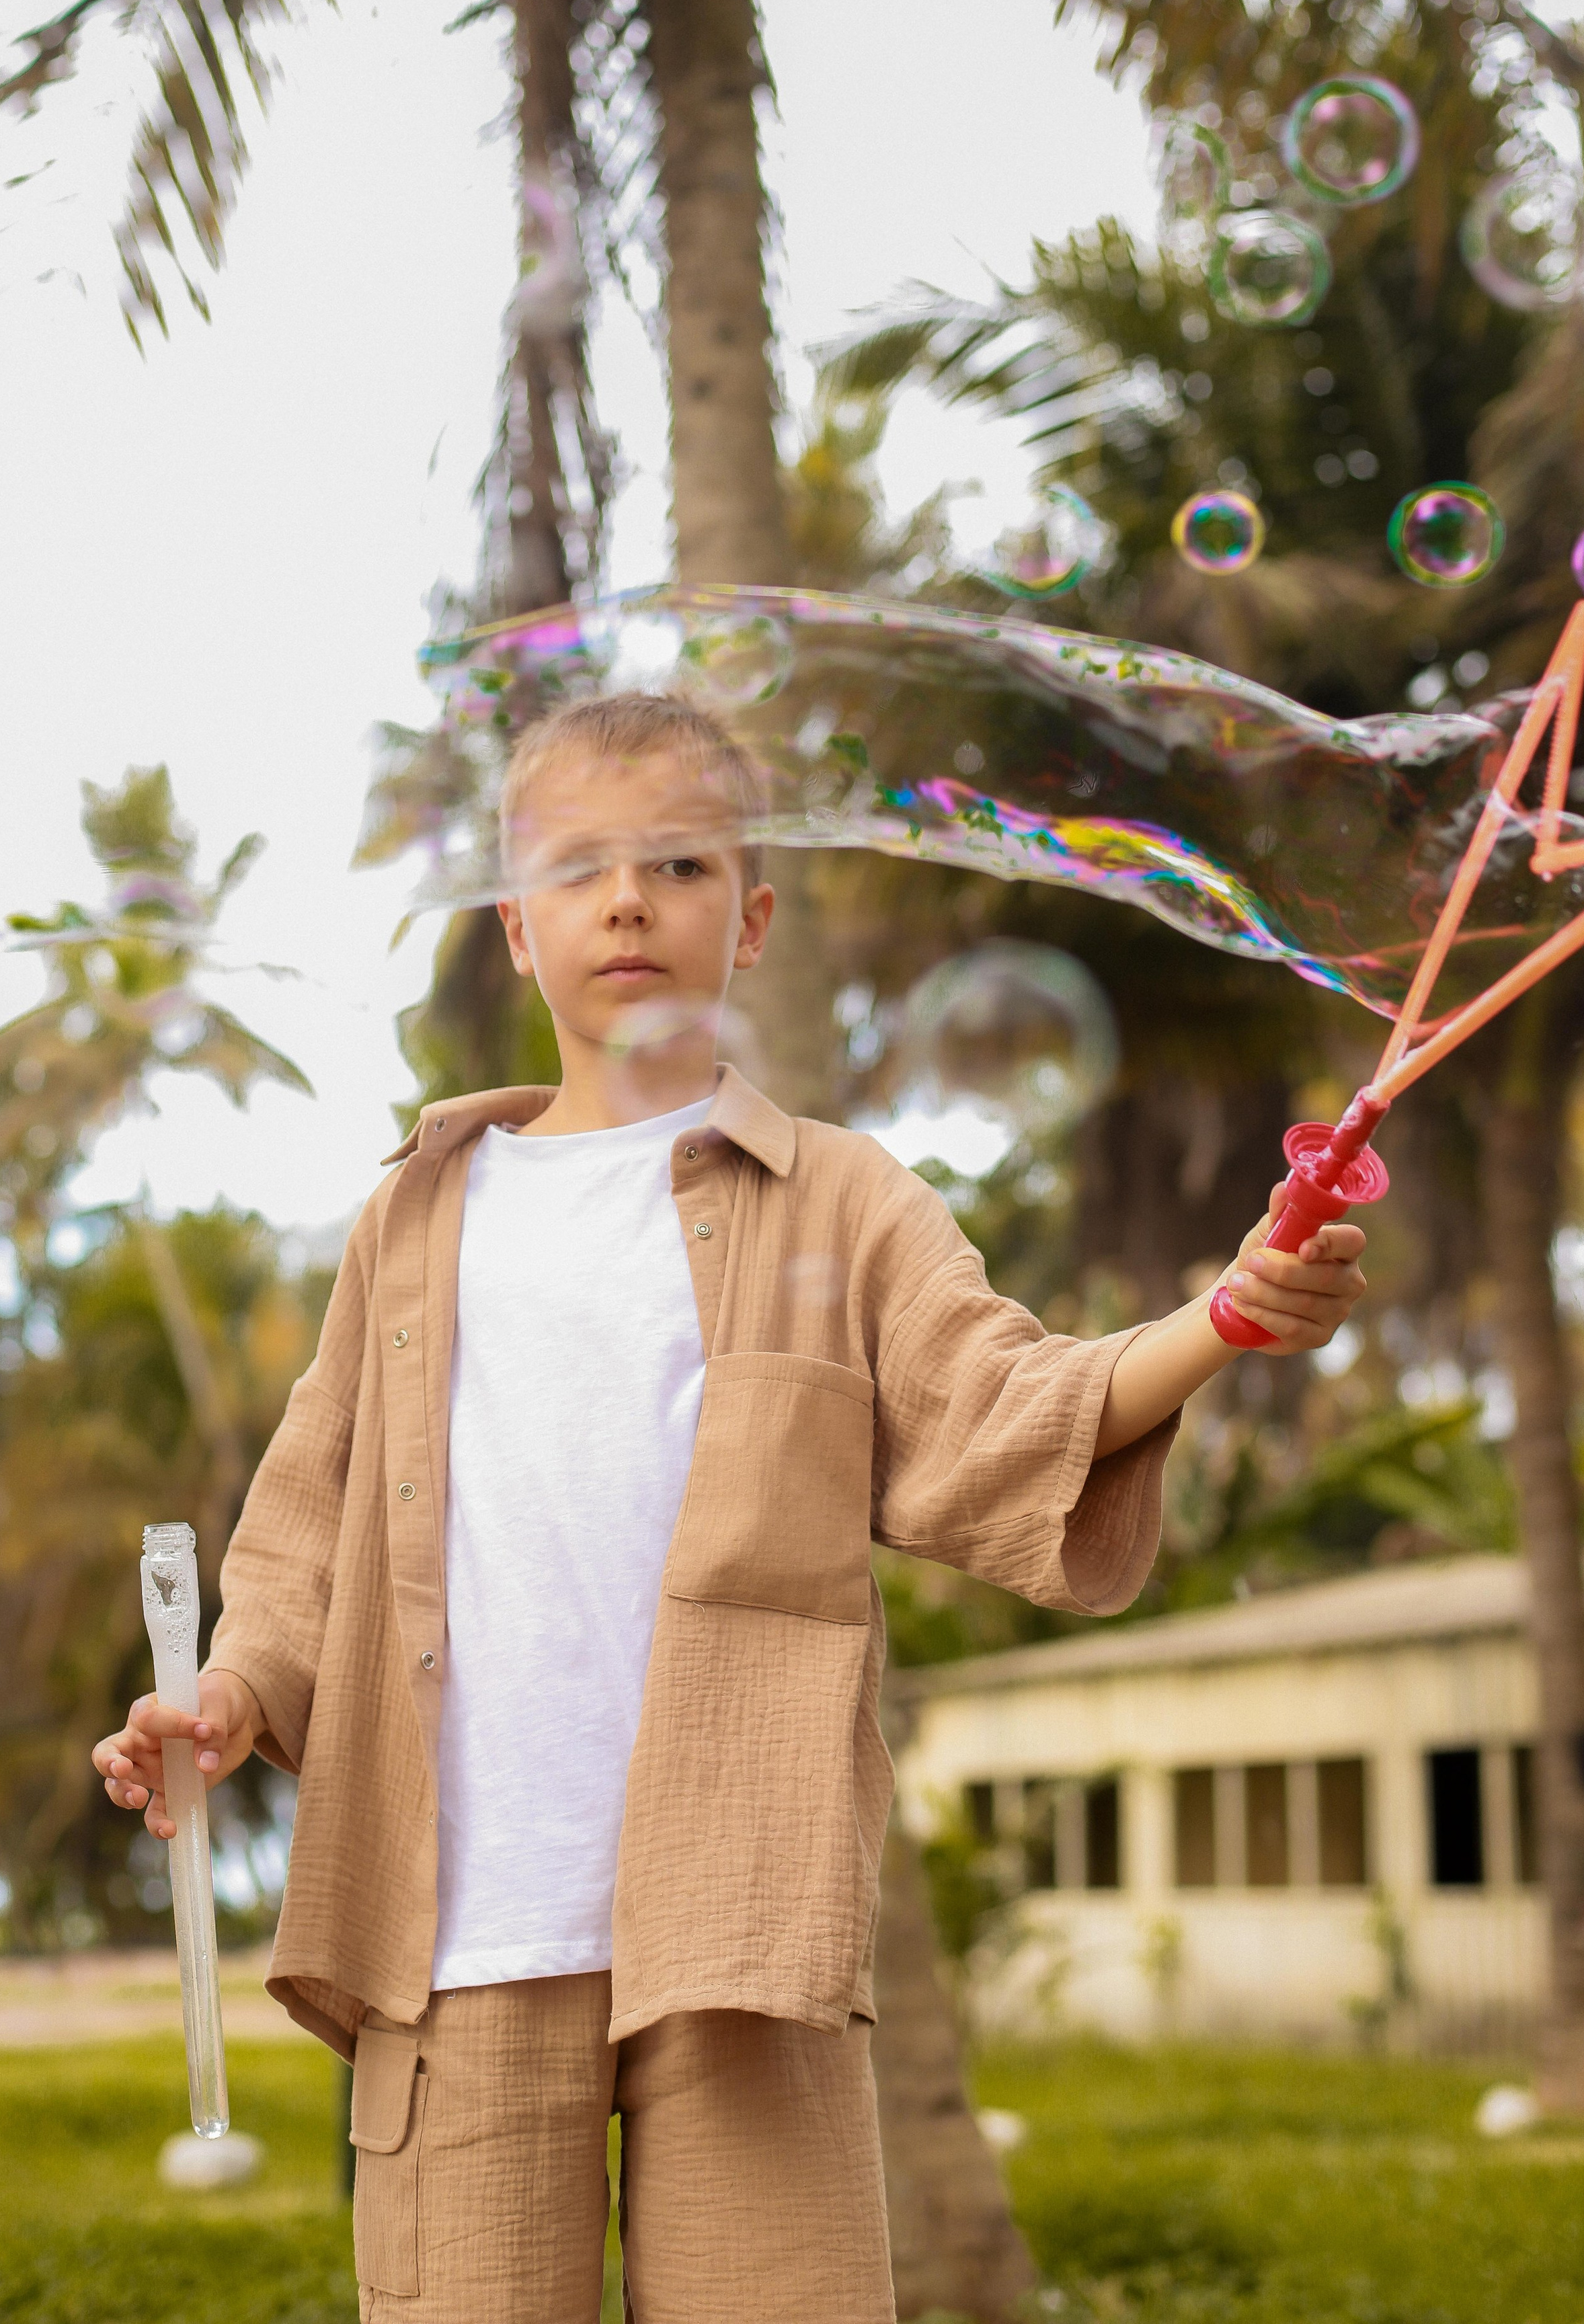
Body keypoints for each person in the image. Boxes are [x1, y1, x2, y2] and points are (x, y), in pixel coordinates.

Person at [93, 689, 1368, 2323]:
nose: (627, 899)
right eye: (576, 867)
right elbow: (299, 1537)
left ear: (750, 918)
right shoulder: (410, 1221)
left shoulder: (843, 1198)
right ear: (514, 924)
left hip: (743, 1936)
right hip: (455, 1935)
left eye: (680, 861)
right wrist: (222, 1699)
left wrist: (1227, 1319)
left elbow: (1001, 1405)